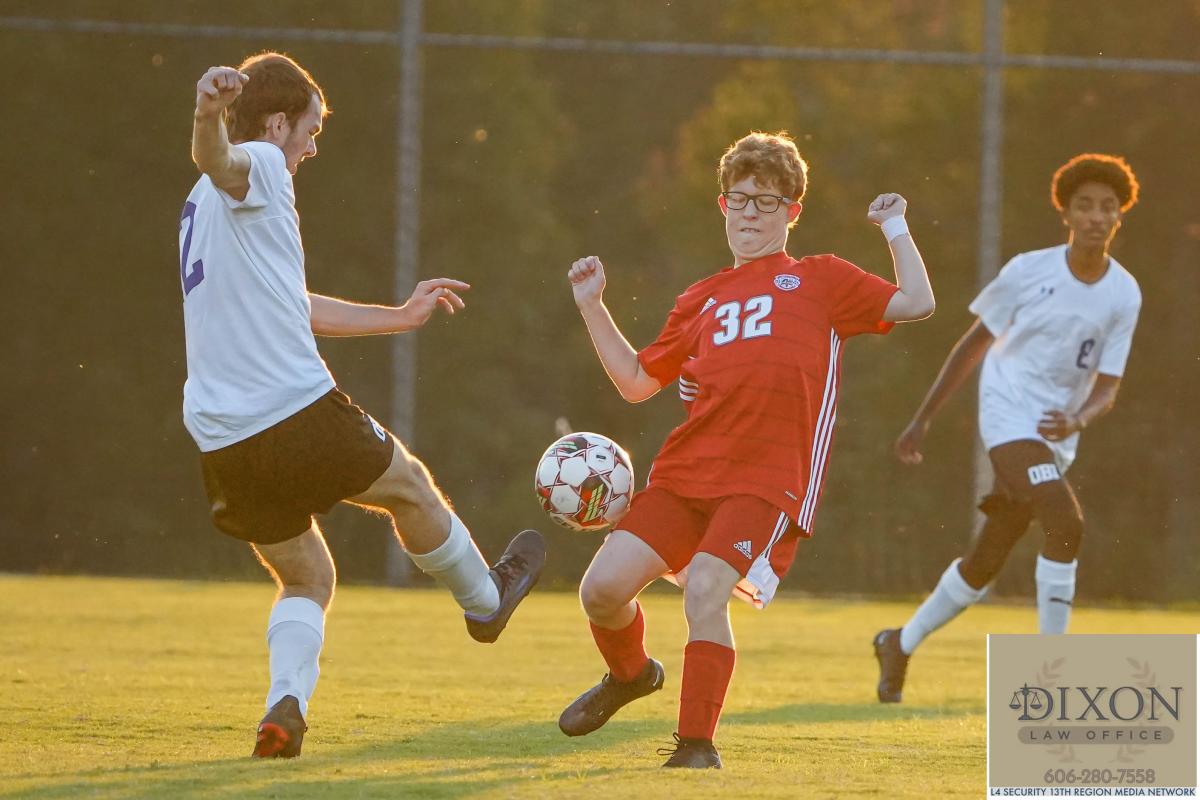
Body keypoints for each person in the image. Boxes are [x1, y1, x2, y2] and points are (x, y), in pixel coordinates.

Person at [181, 53, 545, 757]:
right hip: (291, 409)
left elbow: (291, 303)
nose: (313, 146)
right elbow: (216, 155)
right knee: (410, 487)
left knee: (308, 576)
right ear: (278, 124)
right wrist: (205, 113)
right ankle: (487, 601)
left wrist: (399, 317)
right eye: (311, 130)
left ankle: (284, 708)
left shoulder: (203, 206)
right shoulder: (260, 163)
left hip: (222, 436)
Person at [559, 131, 935, 768]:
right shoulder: (700, 297)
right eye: (740, 200)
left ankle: (696, 747)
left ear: (792, 211)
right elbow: (636, 382)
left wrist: (895, 226)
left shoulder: (820, 278)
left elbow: (918, 302)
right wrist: (592, 305)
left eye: (767, 202)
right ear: (723, 206)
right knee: (600, 591)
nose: (751, 214)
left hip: (765, 479)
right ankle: (631, 676)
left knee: (705, 588)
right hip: (685, 473)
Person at [874, 153, 1141, 703]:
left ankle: (899, 642)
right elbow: (972, 346)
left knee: (987, 560)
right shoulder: (1028, 271)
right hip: (1007, 413)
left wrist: (1078, 418)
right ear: (1066, 213)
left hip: (1056, 431)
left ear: (1120, 215)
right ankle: (1053, 671)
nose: (1096, 216)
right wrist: (923, 418)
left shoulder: (1124, 293)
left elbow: (1108, 386)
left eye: (1107, 207)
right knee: (1066, 522)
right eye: (1085, 205)